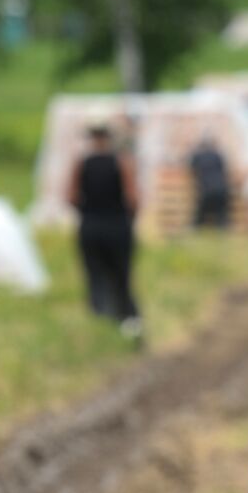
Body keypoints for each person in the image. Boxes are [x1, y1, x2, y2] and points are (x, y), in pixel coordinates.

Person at [65, 124, 143, 342]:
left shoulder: (82, 163)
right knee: (121, 275)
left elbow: (70, 197)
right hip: (117, 226)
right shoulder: (122, 162)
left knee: (94, 276)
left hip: (90, 226)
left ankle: (100, 320)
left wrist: (88, 211)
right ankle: (127, 319)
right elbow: (132, 199)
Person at [188, 133, 231, 229]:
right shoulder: (217, 155)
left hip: (206, 190)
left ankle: (194, 229)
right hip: (222, 190)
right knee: (221, 218)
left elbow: (190, 166)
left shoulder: (198, 156)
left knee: (199, 219)